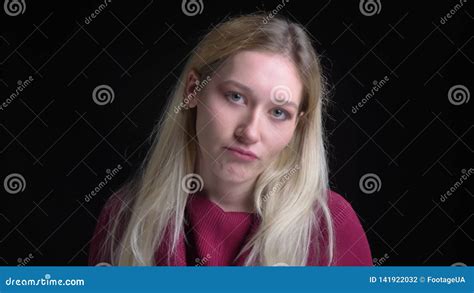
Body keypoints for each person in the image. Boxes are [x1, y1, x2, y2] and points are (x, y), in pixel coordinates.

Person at [88, 13, 372, 266]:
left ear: (297, 126)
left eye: (278, 113)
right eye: (236, 97)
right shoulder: (125, 215)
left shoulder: (332, 226)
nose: (249, 132)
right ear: (192, 90)